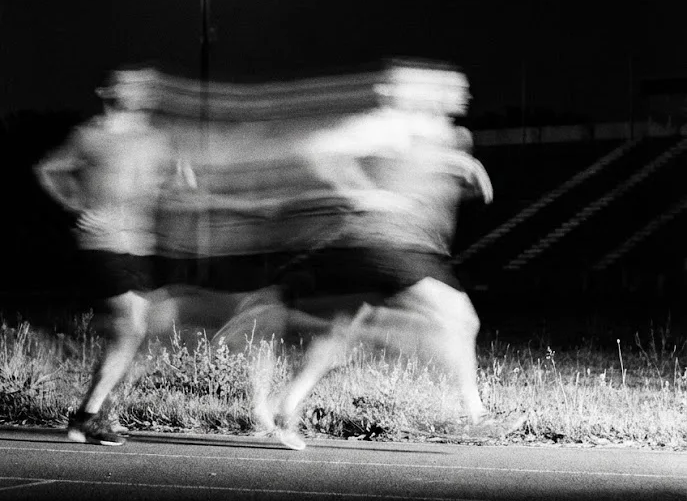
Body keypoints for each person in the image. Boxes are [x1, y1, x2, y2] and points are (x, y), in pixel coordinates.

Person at [253, 58, 525, 449]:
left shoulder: (438, 133)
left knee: (339, 333)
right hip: (388, 245)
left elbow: (420, 166)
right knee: (459, 318)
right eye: (453, 88)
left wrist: (460, 165)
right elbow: (319, 149)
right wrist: (362, 192)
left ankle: (287, 402)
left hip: (386, 246)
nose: (462, 95)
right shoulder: (390, 124)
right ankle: (475, 415)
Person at [34, 66, 195, 445]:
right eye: (129, 85)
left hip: (140, 245)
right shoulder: (89, 135)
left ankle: (96, 408)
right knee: (132, 326)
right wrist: (75, 207)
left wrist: (180, 178)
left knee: (144, 328)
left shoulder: (156, 138)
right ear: (106, 92)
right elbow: (47, 169)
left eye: (141, 87)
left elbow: (178, 184)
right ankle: (86, 418)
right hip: (102, 242)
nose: (139, 91)